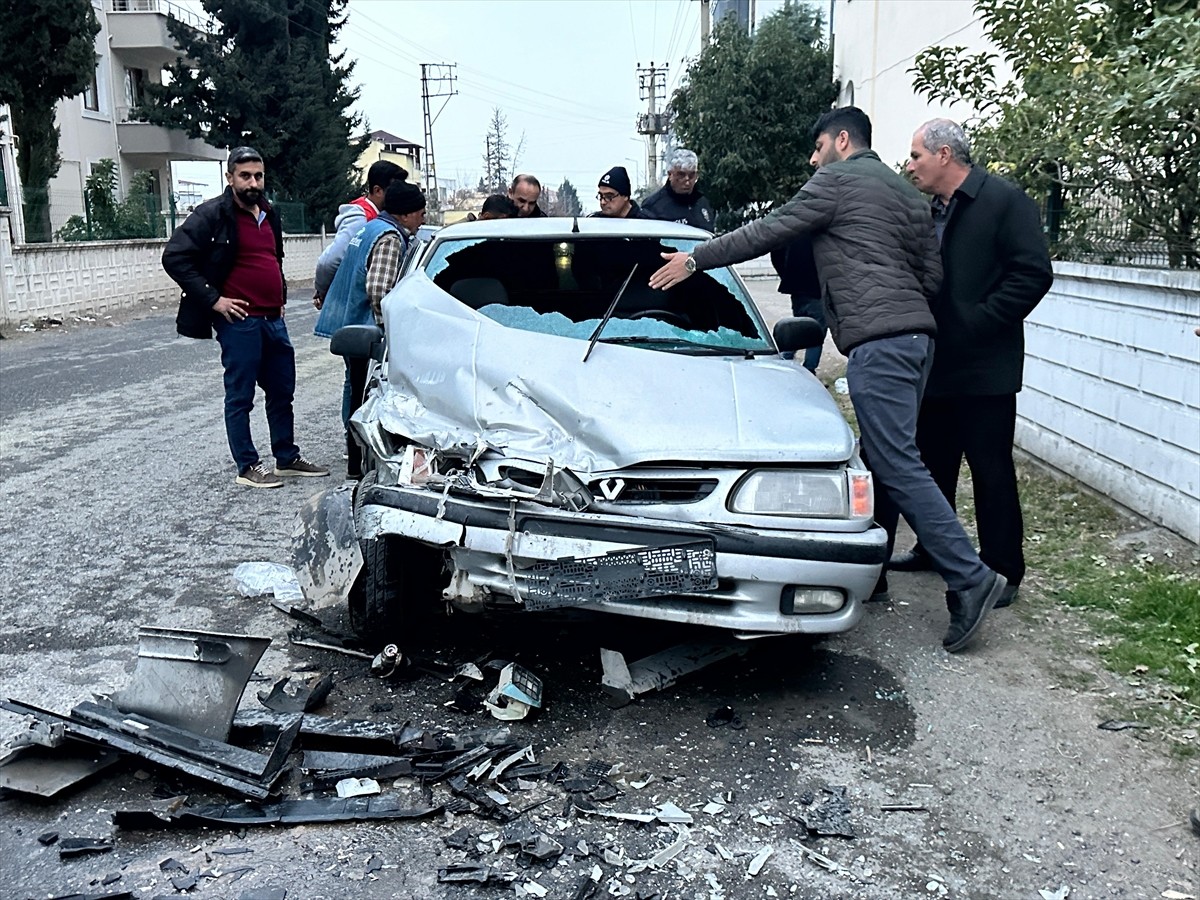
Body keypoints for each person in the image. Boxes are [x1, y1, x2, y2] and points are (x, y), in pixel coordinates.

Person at [648, 107, 1008, 653]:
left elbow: (769, 229)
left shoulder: (837, 181)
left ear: (843, 140)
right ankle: (877, 572)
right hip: (917, 341)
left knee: (895, 461)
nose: (814, 160)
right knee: (888, 453)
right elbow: (932, 275)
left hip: (881, 343)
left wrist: (697, 260)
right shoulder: (906, 193)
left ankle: (970, 577)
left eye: (818, 147)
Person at [889, 119, 1054, 608]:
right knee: (933, 463)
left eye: (916, 155)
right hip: (936, 363)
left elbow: (1032, 274)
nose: (910, 164)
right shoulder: (930, 210)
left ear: (944, 155)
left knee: (990, 469)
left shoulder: (1004, 201)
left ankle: (1003, 569)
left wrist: (979, 322)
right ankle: (933, 548)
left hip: (985, 368)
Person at [163, 146, 329, 488]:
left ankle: (287, 458)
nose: (253, 182)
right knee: (241, 395)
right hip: (239, 322)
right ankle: (247, 466)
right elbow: (175, 257)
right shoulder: (212, 215)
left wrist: (279, 295)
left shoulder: (270, 213)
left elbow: (274, 257)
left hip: (273, 320)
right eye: (245, 176)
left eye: (258, 175)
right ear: (230, 178)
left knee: (283, 390)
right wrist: (214, 300)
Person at [315, 180, 426, 478]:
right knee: (367, 394)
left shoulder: (370, 227)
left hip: (350, 323)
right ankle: (359, 459)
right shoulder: (390, 237)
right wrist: (389, 329)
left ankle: (355, 459)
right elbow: (379, 289)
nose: (423, 218)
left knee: (355, 389)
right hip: (365, 329)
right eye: (419, 212)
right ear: (403, 214)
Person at [314, 160, 408, 305]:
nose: (399, 194)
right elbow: (329, 261)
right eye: (394, 189)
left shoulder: (383, 217)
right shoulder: (362, 218)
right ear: (378, 191)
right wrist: (323, 291)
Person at [770, 235, 826, 372]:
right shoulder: (820, 233)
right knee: (815, 332)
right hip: (816, 289)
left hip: (797, 288)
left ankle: (785, 360)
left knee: (798, 328)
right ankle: (809, 369)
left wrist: (787, 277)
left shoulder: (794, 231)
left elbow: (776, 255)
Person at [641, 148, 715, 231]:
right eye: (681, 175)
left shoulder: (703, 202)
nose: (687, 182)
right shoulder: (653, 206)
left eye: (691, 176)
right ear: (670, 174)